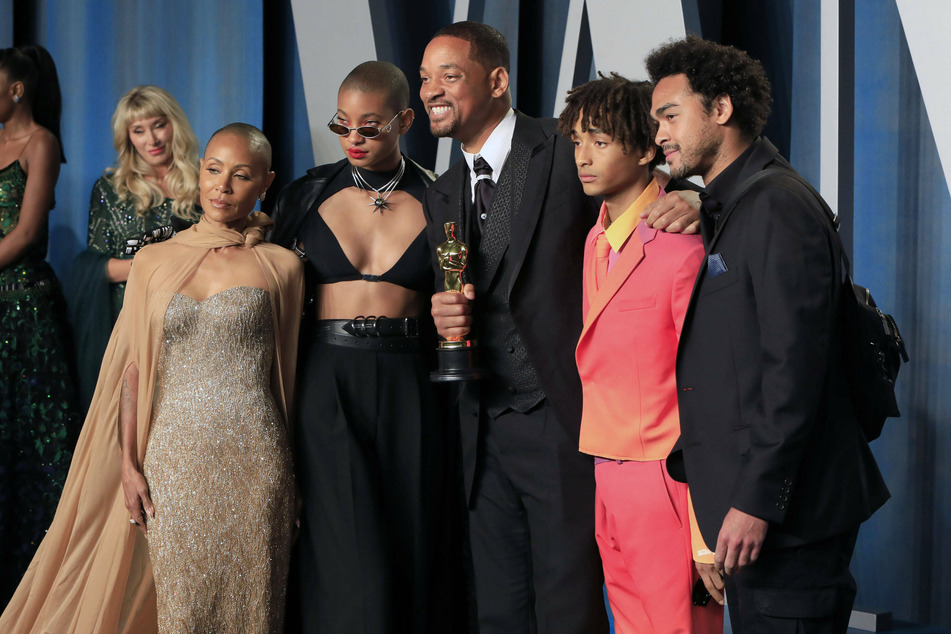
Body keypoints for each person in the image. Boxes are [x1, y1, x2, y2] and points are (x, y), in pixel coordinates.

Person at [420, 22, 701, 633]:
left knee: (569, 605)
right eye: (423, 78)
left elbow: (655, 172)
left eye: (449, 75)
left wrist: (700, 199)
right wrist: (439, 316)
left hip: (566, 419)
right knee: (499, 608)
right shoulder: (439, 193)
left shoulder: (567, 143)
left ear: (497, 80)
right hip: (479, 424)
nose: (430, 91)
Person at [0, 123, 304, 633]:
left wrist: (294, 478)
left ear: (265, 183)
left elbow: (289, 378)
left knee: (253, 610)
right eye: (212, 170)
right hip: (172, 462)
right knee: (180, 611)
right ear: (199, 171)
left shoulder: (281, 268)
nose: (222, 186)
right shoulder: (154, 262)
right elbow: (133, 370)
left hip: (256, 461)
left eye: (240, 175)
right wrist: (128, 463)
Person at [645, 35, 890, 632]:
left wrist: (757, 500)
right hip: (758, 514)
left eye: (671, 116)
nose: (659, 136)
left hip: (787, 518)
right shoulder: (736, 202)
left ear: (721, 110)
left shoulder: (777, 205)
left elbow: (794, 371)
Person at [269, 61, 456, 633]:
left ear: (404, 120)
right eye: (341, 125)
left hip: (412, 383)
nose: (353, 138)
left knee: (413, 539)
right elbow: (267, 292)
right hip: (328, 381)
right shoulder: (305, 195)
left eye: (369, 127)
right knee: (346, 549)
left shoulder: (442, 198)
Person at [560, 73, 722, 633]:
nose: (583, 156)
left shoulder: (683, 245)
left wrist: (705, 532)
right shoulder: (594, 239)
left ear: (648, 146)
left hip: (668, 477)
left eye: (600, 141)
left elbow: (709, 391)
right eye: (577, 140)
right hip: (606, 468)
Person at [0, 44, 80, 608]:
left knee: (36, 436)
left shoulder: (40, 143)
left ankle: (42, 580)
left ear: (16, 89)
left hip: (24, 306)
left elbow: (27, 234)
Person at [66, 85, 201, 410]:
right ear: (128, 137)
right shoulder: (111, 190)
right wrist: (163, 262)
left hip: (192, 324)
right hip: (131, 324)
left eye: (158, 125)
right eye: (138, 130)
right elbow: (98, 267)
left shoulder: (205, 181)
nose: (151, 140)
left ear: (174, 125)